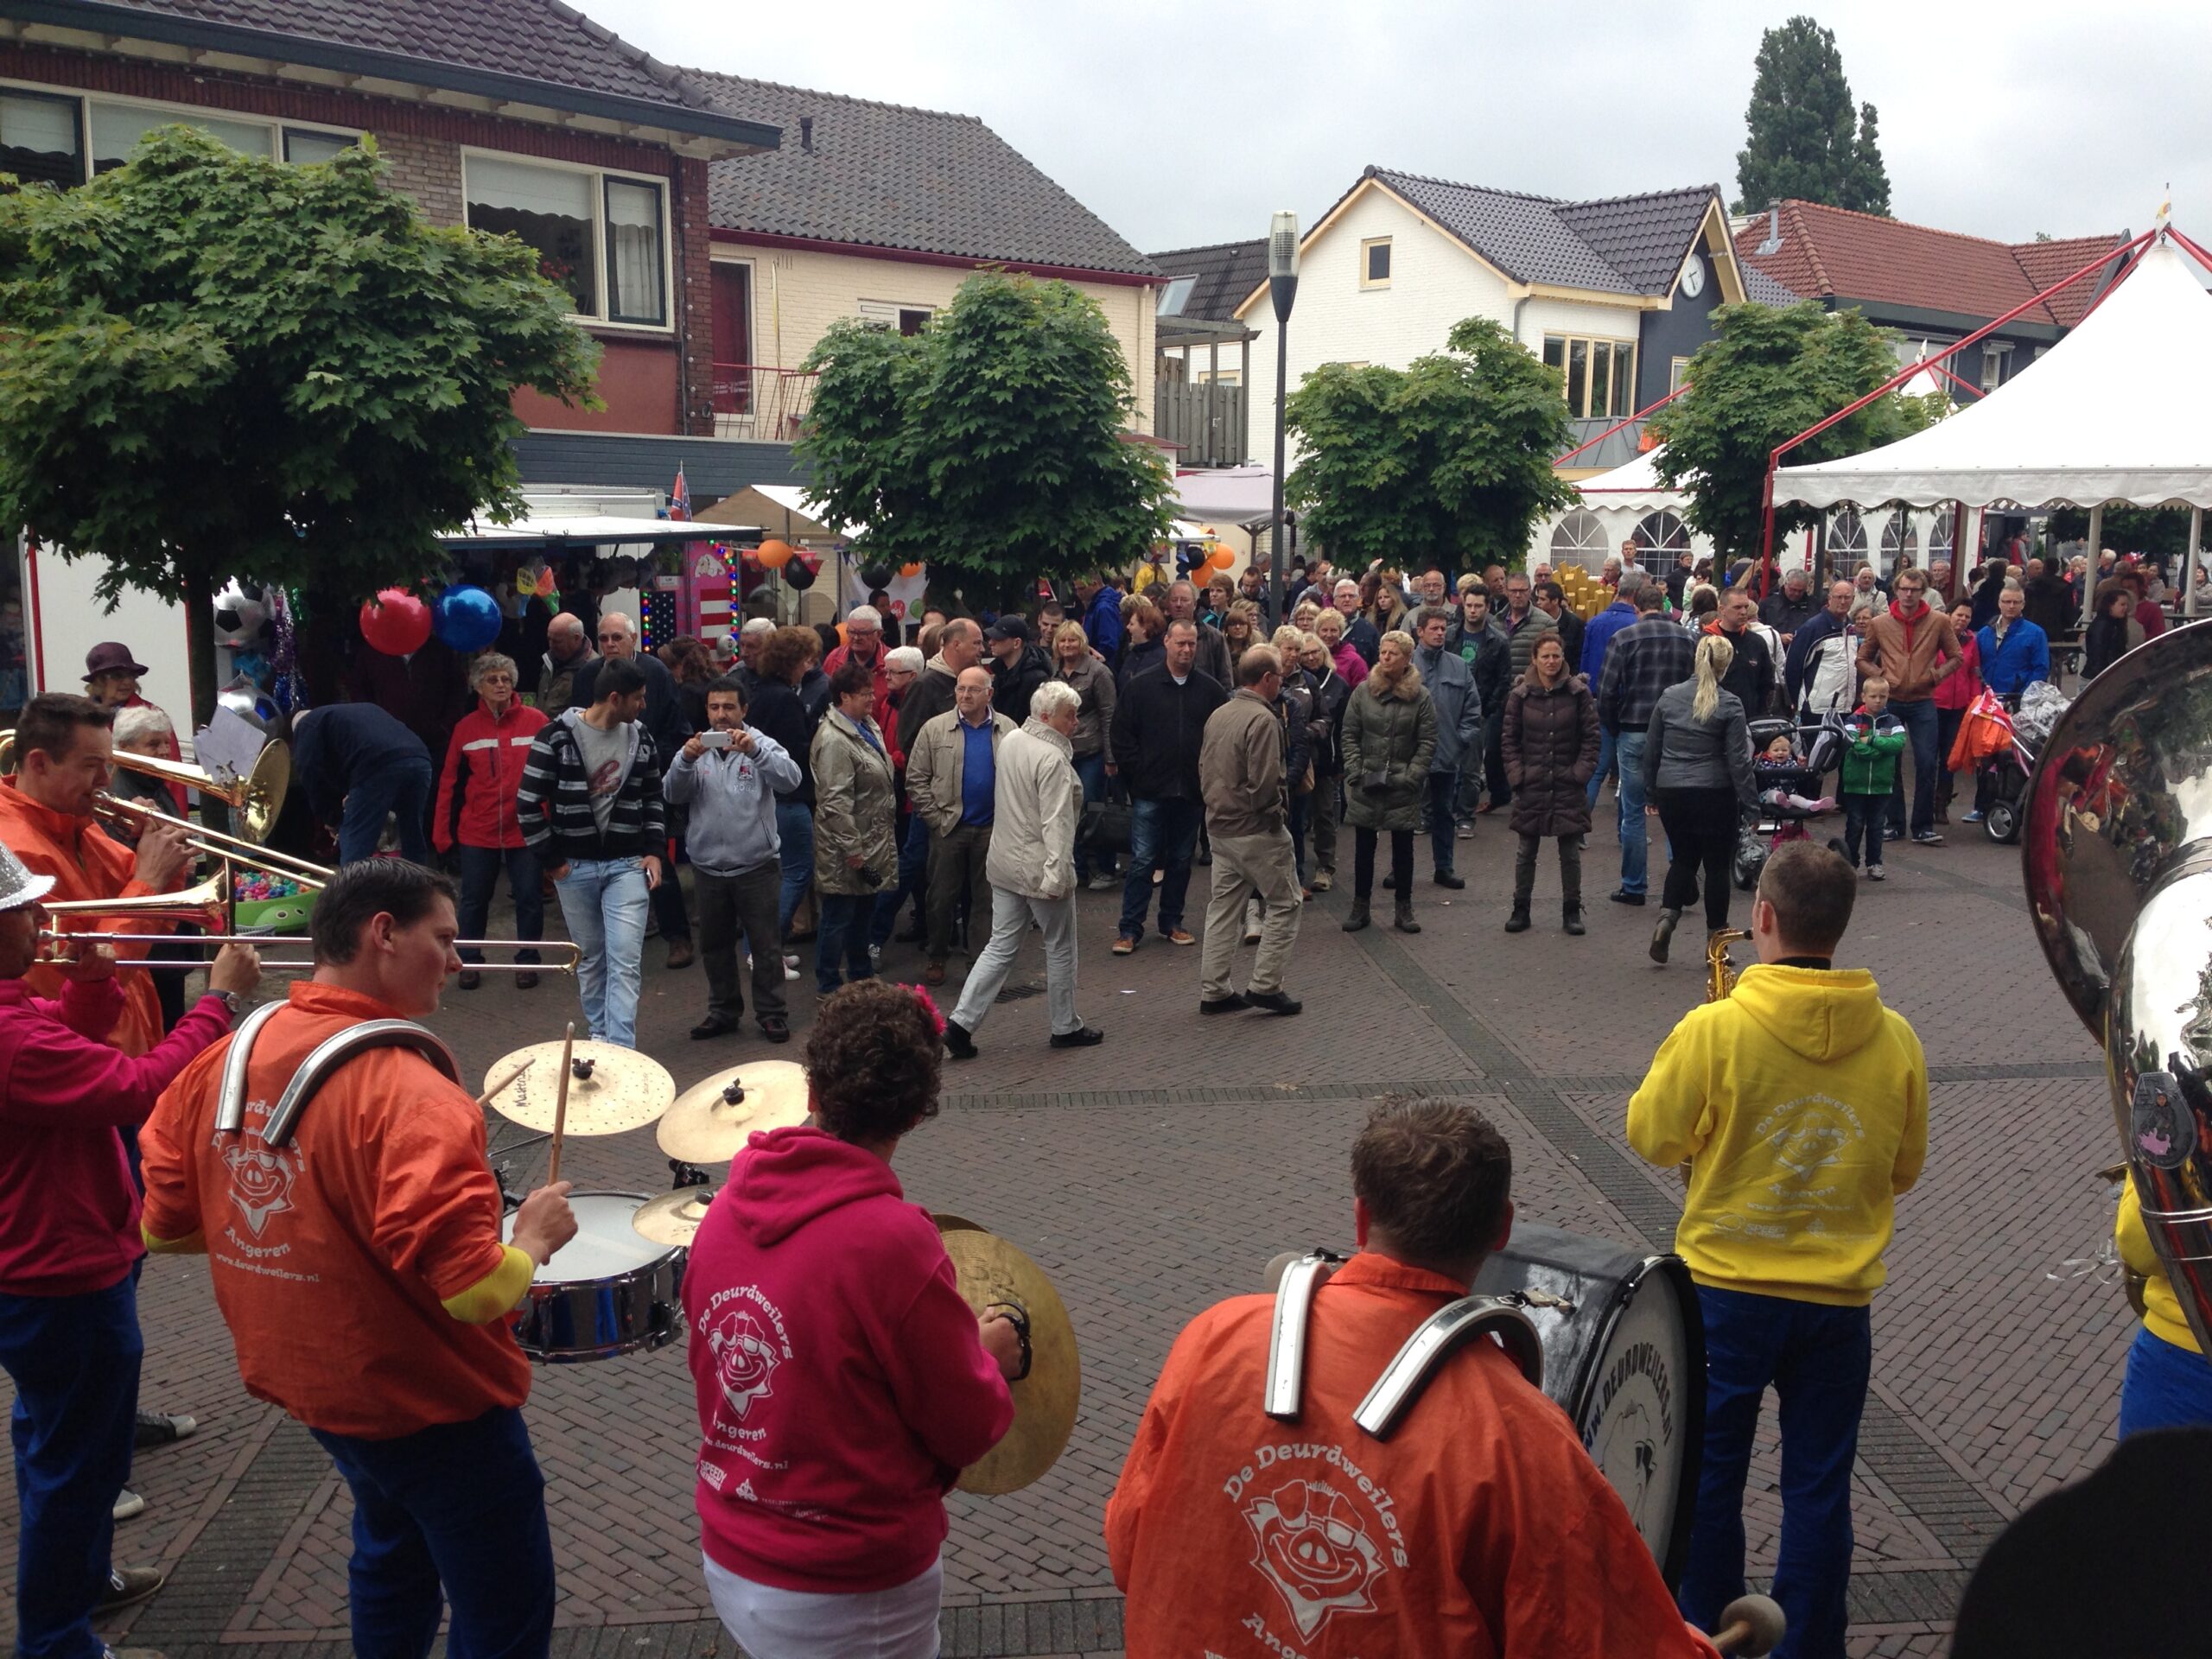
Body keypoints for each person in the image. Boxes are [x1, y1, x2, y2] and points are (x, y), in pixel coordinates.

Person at [140, 859, 577, 1659]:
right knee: (503, 1606)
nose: (456, 960)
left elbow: (166, 1231)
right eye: (444, 939)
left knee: (390, 1552)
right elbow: (476, 1292)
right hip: (432, 1401)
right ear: (384, 933)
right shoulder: (416, 1096)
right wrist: (533, 1240)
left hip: (313, 1389)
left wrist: (296, 1219)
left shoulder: (223, 1057)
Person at [1107, 1096, 1722, 1658]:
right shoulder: (1520, 1438)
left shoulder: (1215, 1337)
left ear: (1361, 1217)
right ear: (1503, 1228)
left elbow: (1129, 1545)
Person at [1629, 842, 1928, 1659]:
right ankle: (1809, 1645)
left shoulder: (1715, 1028)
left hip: (1725, 1294)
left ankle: (1707, 1635)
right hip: (1838, 1300)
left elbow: (1651, 1135)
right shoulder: (1897, 1038)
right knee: (1820, 1487)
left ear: (1762, 917)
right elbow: (1904, 1168)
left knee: (1706, 1479)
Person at [685, 979, 1018, 1657]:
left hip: (732, 1548)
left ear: (811, 1091)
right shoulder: (893, 1242)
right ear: (917, 1113)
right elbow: (966, 1426)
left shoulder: (721, 1211)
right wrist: (988, 1358)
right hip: (847, 1582)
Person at [0, 839, 257, 1656]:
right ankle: (58, 1640)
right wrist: (218, 1004)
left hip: (40, 1265)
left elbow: (68, 1044)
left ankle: (81, 1587)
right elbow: (138, 1086)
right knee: (77, 1471)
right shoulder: (10, 1037)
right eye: (24, 910)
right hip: (62, 1270)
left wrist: (89, 982)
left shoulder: (15, 1015)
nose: (41, 919)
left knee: (54, 1445)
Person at [0, 694, 194, 1058]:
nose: (105, 781)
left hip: (129, 1031)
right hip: (89, 1052)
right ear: (39, 763)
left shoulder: (76, 820)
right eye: (92, 766)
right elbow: (77, 975)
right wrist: (151, 877)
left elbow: (156, 915)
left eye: (108, 766)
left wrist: (154, 846)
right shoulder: (13, 849)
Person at [941, 679, 1101, 1058]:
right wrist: (1058, 877)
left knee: (999, 946)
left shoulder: (1012, 740)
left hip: (1004, 863)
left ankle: (960, 1024)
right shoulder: (1053, 759)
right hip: (1039, 868)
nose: (1076, 722)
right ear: (1047, 717)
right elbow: (1056, 824)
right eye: (1069, 716)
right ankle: (1065, 1025)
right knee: (1060, 947)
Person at [516, 656, 666, 1049]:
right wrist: (554, 862)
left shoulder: (642, 738)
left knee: (625, 960)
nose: (643, 706)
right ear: (615, 698)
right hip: (574, 865)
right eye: (638, 698)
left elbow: (653, 797)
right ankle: (600, 1034)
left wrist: (654, 850)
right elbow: (528, 803)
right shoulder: (555, 737)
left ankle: (620, 1047)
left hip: (627, 863)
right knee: (591, 959)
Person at [665, 674, 801, 1044]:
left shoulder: (762, 744)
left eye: (728, 707)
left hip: (757, 865)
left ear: (744, 709)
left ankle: (772, 1013)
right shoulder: (695, 748)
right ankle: (723, 1012)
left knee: (766, 946)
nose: (721, 715)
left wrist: (755, 752)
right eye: (714, 707)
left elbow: (791, 780)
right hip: (708, 867)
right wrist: (684, 760)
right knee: (714, 947)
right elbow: (672, 794)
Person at [570, 611, 696, 968]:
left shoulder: (655, 673)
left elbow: (677, 728)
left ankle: (678, 936)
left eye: (617, 638)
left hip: (645, 781)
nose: (610, 645)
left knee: (657, 859)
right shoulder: (587, 676)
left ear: (633, 639)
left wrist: (650, 761)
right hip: (599, 786)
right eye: (604, 638)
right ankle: (611, 941)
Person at [1195, 646, 1304, 1018]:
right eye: (1279, 678)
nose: (1281, 684)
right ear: (1268, 679)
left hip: (1219, 825)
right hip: (1255, 829)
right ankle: (1266, 985)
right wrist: (1275, 816)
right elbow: (1265, 781)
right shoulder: (1263, 719)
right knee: (1286, 902)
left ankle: (1214, 989)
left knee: (1224, 908)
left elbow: (1204, 767)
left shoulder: (1220, 714)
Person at [434, 652, 549, 992]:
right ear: (478, 687)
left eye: (506, 679)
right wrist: (442, 834)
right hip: (477, 830)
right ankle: (468, 961)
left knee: (529, 897)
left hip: (526, 827)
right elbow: (448, 783)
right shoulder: (465, 728)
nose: (501, 685)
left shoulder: (537, 721)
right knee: (473, 900)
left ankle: (528, 961)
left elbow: (554, 774)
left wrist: (552, 823)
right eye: (492, 679)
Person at [1111, 619, 1226, 955]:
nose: (1187, 650)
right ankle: (1130, 928)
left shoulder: (1210, 690)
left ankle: (1171, 921)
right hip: (1150, 790)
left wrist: (1207, 777)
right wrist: (1138, 775)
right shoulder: (1140, 687)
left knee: (1179, 860)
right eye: (1180, 643)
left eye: (1192, 644)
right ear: (1166, 642)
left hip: (1191, 791)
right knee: (1143, 861)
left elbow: (1222, 738)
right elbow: (1121, 735)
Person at [1643, 633, 1758, 962]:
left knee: (1683, 859)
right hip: (1714, 793)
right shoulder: (1730, 703)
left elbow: (1652, 750)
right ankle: (1715, 945)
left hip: (1672, 791)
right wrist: (1751, 805)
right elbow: (1739, 761)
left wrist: (1651, 792)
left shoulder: (1669, 697)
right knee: (1717, 868)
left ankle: (1666, 920)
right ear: (1726, 665)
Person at [906, 666, 1012, 988]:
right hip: (949, 827)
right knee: (940, 897)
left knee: (985, 900)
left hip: (992, 829)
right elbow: (916, 778)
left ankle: (979, 964)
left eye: (973, 690)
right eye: (960, 689)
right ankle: (937, 955)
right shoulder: (934, 729)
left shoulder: (1008, 729)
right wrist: (935, 819)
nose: (965, 695)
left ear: (989, 694)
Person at [1596, 582, 1695, 908]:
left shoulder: (1624, 638)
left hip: (1634, 729)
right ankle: (1681, 880)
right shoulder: (1687, 638)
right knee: (1676, 810)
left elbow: (1606, 690)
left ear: (1636, 607)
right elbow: (1698, 685)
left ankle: (1634, 886)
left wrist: (1614, 726)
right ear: (1664, 606)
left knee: (1634, 811)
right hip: (1676, 732)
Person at [809, 658, 899, 995]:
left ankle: (861, 977)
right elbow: (835, 800)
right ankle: (829, 984)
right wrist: (853, 849)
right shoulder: (835, 740)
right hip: (846, 848)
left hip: (869, 841)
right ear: (844, 697)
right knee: (838, 916)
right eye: (864, 694)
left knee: (862, 913)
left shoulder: (865, 726)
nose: (872, 698)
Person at [1340, 630, 1437, 936]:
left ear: (1407, 658)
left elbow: (1427, 740)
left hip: (1402, 783)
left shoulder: (1421, 696)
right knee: (1364, 847)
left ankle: (1404, 907)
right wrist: (1355, 770)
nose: (1385, 657)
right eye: (1383, 652)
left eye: (1392, 653)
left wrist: (1412, 775)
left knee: (1403, 849)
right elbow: (1349, 733)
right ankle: (1360, 906)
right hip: (1366, 780)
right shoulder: (1363, 691)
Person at [1854, 567, 1960, 847]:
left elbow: (1956, 656)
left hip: (1923, 700)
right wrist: (1880, 677)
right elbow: (1862, 658)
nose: (1909, 594)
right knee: (1890, 761)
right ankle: (1895, 823)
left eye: (1914, 590)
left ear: (1923, 592)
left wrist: (1935, 676)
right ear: (1896, 590)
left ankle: (1923, 826)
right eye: (1904, 589)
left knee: (1926, 762)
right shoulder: (1880, 623)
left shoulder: (1939, 621)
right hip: (1891, 700)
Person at [1503, 632, 1599, 935]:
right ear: (1534, 659)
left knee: (1569, 853)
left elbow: (1591, 738)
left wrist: (1580, 774)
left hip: (1568, 783)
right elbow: (1509, 740)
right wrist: (1517, 776)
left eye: (1556, 655)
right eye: (1545, 656)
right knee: (1525, 851)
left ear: (1563, 657)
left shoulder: (1578, 693)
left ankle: (1572, 911)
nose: (1551, 661)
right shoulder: (1520, 696)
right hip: (1531, 783)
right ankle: (1520, 909)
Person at [291, 700, 436, 867]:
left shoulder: (307, 725)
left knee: (355, 842)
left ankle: (354, 882)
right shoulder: (351, 715)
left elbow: (310, 773)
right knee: (411, 834)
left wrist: (332, 819)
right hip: (419, 759)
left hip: (378, 764)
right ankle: (417, 879)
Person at [749, 626, 822, 948]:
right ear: (792, 661)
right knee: (797, 872)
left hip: (767, 796)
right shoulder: (785, 699)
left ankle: (761, 948)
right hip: (789, 798)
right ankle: (765, 947)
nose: (809, 666)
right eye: (806, 659)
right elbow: (796, 752)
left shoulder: (760, 693)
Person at [1408, 606, 1484, 890]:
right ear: (1420, 632)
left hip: (1447, 753)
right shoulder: (1406, 665)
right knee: (1406, 815)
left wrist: (1460, 740)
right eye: (1434, 629)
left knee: (1443, 814)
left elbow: (1472, 709)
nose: (1440, 633)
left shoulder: (1458, 666)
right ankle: (1400, 868)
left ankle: (1444, 867)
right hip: (1410, 755)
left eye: (1443, 628)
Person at [1048, 620, 1118, 890]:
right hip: (1062, 752)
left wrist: (1111, 758)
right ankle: (1076, 869)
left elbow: (1109, 715)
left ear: (1082, 642)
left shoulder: (1098, 672)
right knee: (1065, 811)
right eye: (1063, 640)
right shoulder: (1053, 671)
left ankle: (1105, 867)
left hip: (1091, 752)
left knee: (1092, 810)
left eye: (1073, 640)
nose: (1067, 645)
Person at [1578, 573, 1641, 808]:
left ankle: (1580, 822)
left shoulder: (1595, 622)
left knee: (1597, 768)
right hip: (1630, 704)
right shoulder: (1637, 625)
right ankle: (1626, 827)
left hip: (1598, 699)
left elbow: (1585, 663)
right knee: (1629, 772)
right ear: (1636, 594)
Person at [1450, 587, 1512, 818]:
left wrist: (1487, 708)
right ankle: (1445, 811)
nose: (1473, 611)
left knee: (1471, 767)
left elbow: (1504, 680)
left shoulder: (1498, 641)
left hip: (1479, 710)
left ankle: (1465, 816)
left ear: (1487, 608)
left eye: (1478, 606)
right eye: (1469, 605)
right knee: (1446, 764)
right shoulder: (1450, 636)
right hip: (1450, 707)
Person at [1836, 679, 1906, 880]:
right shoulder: (1853, 720)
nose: (1877, 700)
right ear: (1863, 696)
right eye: (1873, 696)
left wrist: (1872, 740)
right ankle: (1850, 863)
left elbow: (1898, 744)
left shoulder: (1893, 721)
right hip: (1855, 784)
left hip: (1881, 785)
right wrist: (1879, 753)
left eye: (1882, 696)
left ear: (1888, 697)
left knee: (1876, 827)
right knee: (1855, 825)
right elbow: (1853, 744)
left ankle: (1875, 863)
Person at [1785, 582, 1857, 714]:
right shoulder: (1812, 628)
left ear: (1853, 599)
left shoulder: (1851, 628)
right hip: (1816, 708)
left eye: (1847, 597)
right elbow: (1793, 667)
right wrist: (1795, 701)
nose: (1842, 602)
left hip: (1846, 707)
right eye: (1838, 597)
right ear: (1829, 598)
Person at [1976, 582, 2050, 707]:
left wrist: (2022, 697)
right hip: (1985, 700)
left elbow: (2041, 670)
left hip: (2016, 700)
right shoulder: (1984, 633)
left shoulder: (2036, 633)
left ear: (2023, 605)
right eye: (2007, 602)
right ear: (1999, 603)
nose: (2011, 606)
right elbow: (1976, 667)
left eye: (2016, 602)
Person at [1707, 586, 1776, 717]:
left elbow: (1766, 683)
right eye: (1737, 607)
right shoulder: (1707, 642)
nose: (1744, 612)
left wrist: (1762, 714)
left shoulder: (1757, 642)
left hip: (1749, 718)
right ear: (1722, 610)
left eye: (1746, 607)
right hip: (1714, 718)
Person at [1163, 579, 1234, 686]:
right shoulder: (1158, 634)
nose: (1178, 604)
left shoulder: (1213, 637)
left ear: (1195, 604)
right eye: (1174, 600)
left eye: (1184, 600)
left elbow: (1226, 680)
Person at [983, 615, 1051, 725]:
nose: (991, 642)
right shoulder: (999, 674)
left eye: (999, 638)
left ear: (1016, 643)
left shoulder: (1037, 679)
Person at [2082, 577, 2145, 679]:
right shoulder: (2103, 626)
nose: (2125, 608)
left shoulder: (2116, 624)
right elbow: (2099, 653)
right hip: (2099, 677)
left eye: (2126, 605)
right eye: (2122, 605)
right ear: (2110, 606)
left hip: (2108, 674)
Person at [1501, 571, 1556, 682]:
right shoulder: (1496, 621)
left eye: (1522, 591)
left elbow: (1552, 661)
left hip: (1531, 688)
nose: (1518, 595)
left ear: (1530, 591)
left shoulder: (1546, 623)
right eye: (1513, 591)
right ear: (1506, 592)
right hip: (1500, 689)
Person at [539, 610, 598, 709]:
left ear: (576, 638)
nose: (551, 645)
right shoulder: (549, 660)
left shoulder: (593, 670)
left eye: (557, 641)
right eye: (549, 639)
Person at [1532, 578, 1585, 669]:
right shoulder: (1534, 620)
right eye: (1538, 599)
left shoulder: (1575, 624)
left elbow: (1579, 655)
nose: (1538, 603)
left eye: (1542, 599)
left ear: (1555, 601)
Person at [1760, 567, 1820, 643]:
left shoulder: (1814, 605)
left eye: (1801, 591)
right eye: (1793, 590)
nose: (1796, 594)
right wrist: (1779, 638)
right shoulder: (1768, 604)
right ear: (1785, 585)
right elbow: (1760, 632)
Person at [1313, 606, 1367, 690]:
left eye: (1333, 630)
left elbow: (1362, 692)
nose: (1329, 635)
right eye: (1324, 630)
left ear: (1341, 632)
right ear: (1317, 632)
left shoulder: (1354, 660)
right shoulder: (1310, 656)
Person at [1332, 579, 1381, 665]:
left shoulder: (1370, 630)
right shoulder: (1324, 626)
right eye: (1343, 596)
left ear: (1358, 600)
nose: (1347, 599)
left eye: (1351, 596)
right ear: (1334, 601)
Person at [2021, 558, 2073, 640]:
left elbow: (2026, 607)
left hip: (2034, 623)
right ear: (2057, 569)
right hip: (2056, 626)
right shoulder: (2064, 586)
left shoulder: (2032, 585)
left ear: (2044, 567)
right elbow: (2068, 610)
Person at [1083, 573, 1126, 664]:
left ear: (1094, 584)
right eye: (1076, 589)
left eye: (1082, 588)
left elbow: (1108, 644)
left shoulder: (1104, 608)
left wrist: (1092, 662)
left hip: (1102, 663)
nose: (1078, 593)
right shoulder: (1099, 604)